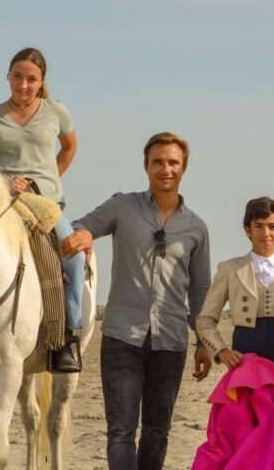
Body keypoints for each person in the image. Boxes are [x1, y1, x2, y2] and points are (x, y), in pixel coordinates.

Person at [61, 132, 212, 470]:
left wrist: (204, 342)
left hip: (171, 342)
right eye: (158, 162)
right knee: (120, 432)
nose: (165, 169)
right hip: (121, 339)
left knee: (158, 432)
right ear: (146, 166)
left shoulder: (197, 228)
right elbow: (83, 225)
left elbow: (200, 289)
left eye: (173, 162)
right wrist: (84, 236)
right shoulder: (122, 206)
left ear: (184, 168)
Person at [0, 47, 85, 372]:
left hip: (45, 205)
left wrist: (49, 179)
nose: (23, 85)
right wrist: (4, 183)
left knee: (75, 259)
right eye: (17, 77)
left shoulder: (56, 112)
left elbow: (70, 147)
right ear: (8, 76)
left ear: (42, 81)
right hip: (0, 201)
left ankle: (68, 337)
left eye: (31, 79)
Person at [196, 196, 274, 414]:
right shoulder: (229, 269)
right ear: (247, 230)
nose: (266, 233)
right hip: (243, 353)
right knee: (244, 419)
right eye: (258, 226)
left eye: (272, 226)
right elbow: (205, 319)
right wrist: (222, 351)